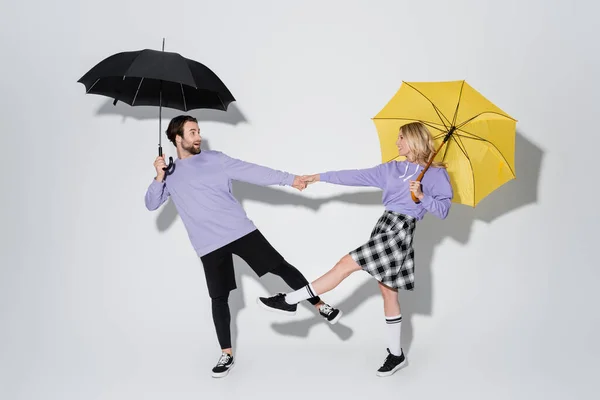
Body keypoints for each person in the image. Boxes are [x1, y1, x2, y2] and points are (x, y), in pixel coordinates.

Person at [144, 115, 342, 378]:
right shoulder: (170, 173)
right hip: (208, 245)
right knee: (219, 298)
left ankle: (320, 306)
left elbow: (253, 171)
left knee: (280, 267)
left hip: (239, 231)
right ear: (178, 138)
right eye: (192, 132)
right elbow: (151, 203)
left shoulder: (215, 159)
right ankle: (226, 354)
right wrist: (159, 177)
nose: (198, 136)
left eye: (199, 130)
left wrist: (290, 179)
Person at [257, 122, 453, 377]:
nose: (397, 143)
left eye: (401, 138)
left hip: (401, 231)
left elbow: (444, 211)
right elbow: (356, 176)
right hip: (385, 225)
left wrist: (423, 196)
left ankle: (290, 300)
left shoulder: (435, 174)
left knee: (345, 264)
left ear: (414, 140)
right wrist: (320, 177)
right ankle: (396, 355)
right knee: (388, 294)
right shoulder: (392, 168)